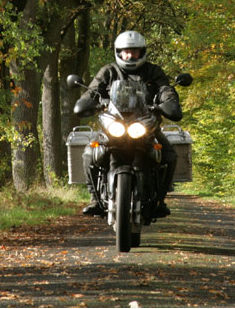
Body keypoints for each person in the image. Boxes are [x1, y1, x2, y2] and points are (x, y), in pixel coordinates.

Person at [75, 30, 182, 218]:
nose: (130, 55)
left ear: (142, 52)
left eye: (134, 51)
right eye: (125, 51)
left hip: (145, 124)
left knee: (169, 155)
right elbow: (93, 90)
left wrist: (169, 101)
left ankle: (160, 200)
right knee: (88, 153)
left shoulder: (153, 71)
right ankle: (94, 199)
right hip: (113, 124)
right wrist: (88, 101)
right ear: (118, 52)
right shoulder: (108, 71)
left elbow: (165, 89)